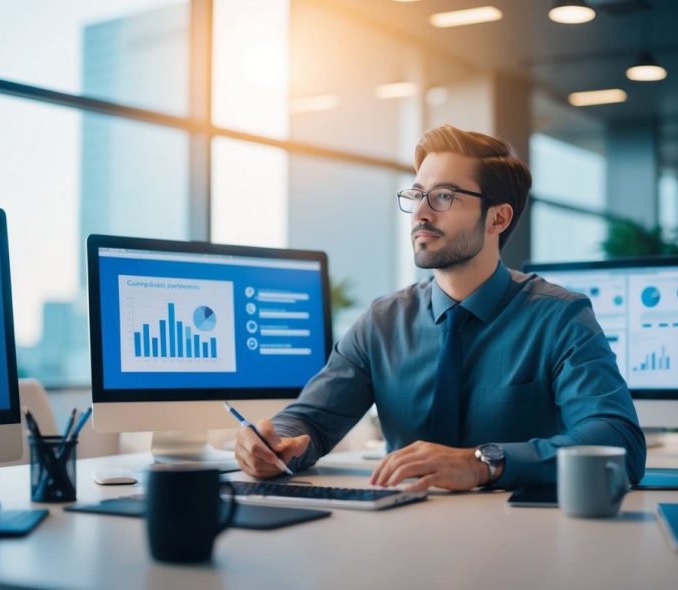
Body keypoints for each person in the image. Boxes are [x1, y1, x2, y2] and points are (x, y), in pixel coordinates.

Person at [234, 125, 646, 491]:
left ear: (498, 218)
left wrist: (484, 462)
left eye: (443, 196)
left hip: (523, 542)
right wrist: (275, 443)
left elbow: (618, 440)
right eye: (416, 195)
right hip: (400, 535)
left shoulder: (560, 318)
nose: (420, 213)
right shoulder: (381, 323)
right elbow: (311, 421)